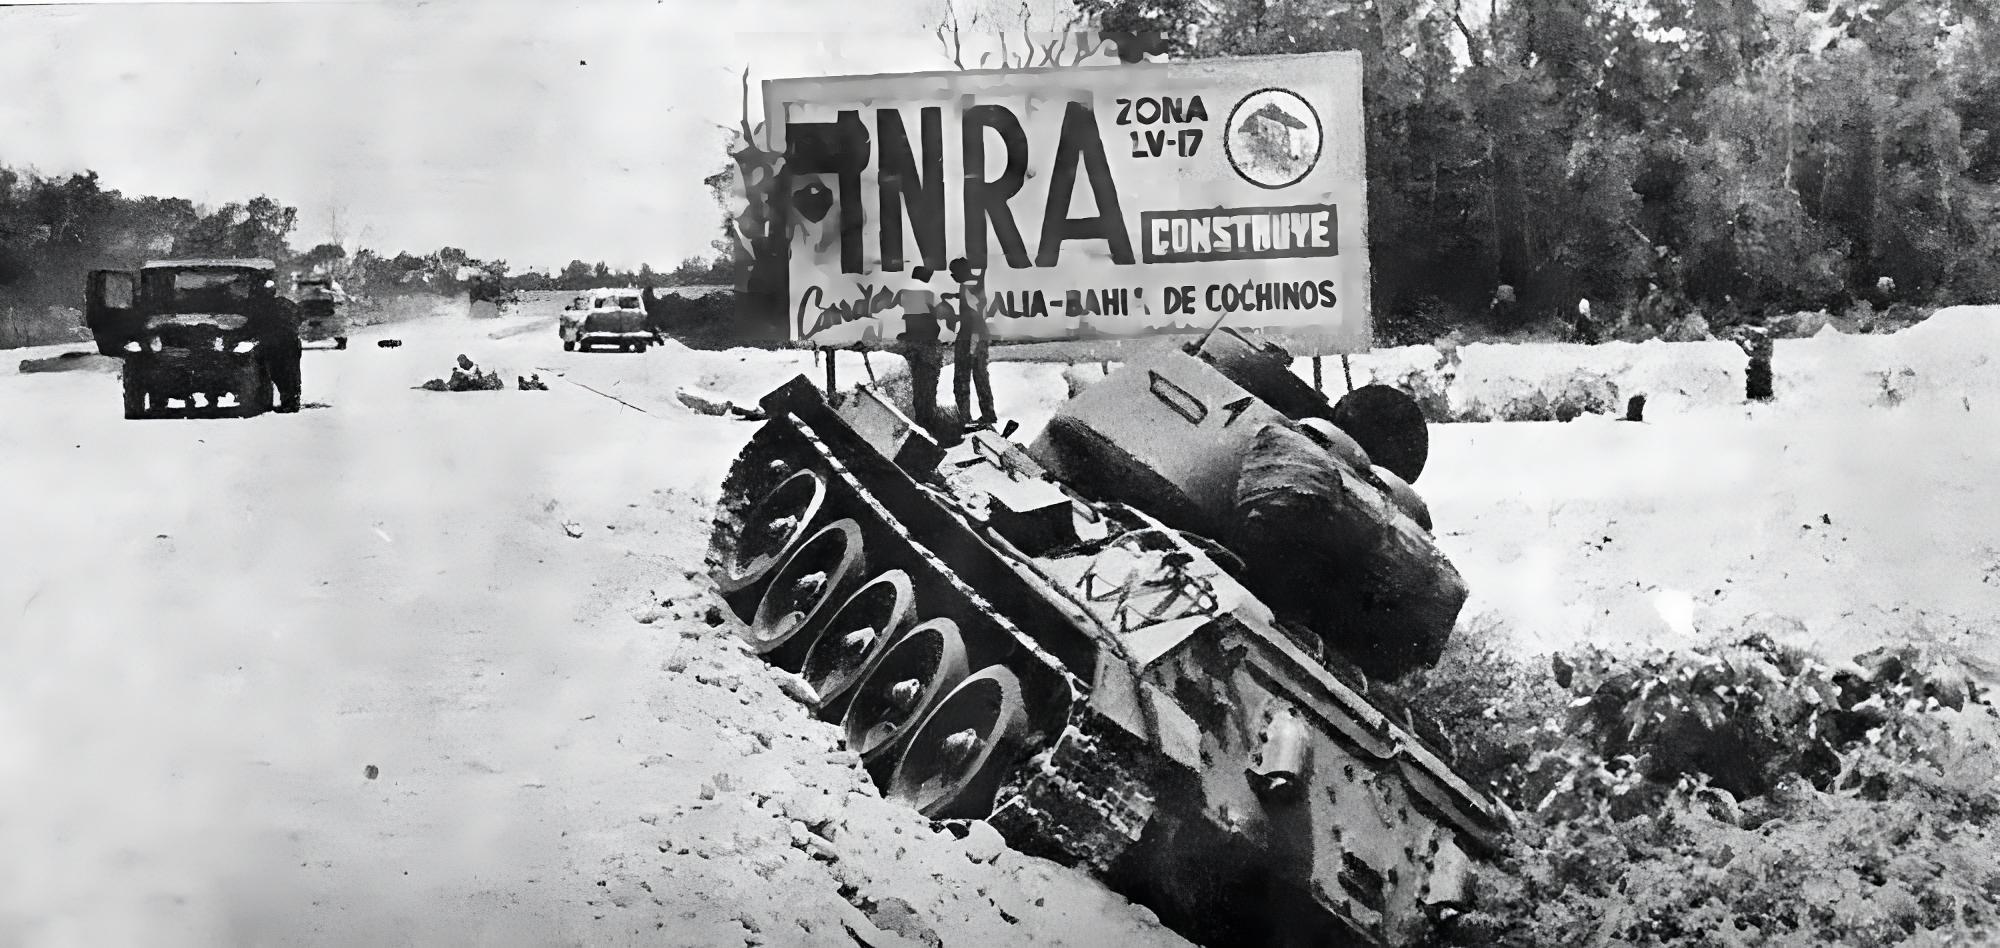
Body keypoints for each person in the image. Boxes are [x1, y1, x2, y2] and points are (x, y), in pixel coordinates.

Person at [894, 266, 946, 432]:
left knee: (918, 386)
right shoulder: (930, 292)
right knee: (929, 387)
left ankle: (921, 423)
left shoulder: (905, 292)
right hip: (928, 345)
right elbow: (941, 315)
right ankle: (928, 425)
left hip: (913, 343)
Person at [947, 257, 995, 430]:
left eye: (953, 273)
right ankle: (988, 415)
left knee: (962, 380)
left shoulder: (968, 286)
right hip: (976, 336)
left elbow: (975, 315)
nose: (952, 276)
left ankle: (965, 419)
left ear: (961, 272)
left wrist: (972, 345)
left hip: (971, 338)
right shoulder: (972, 283)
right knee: (980, 377)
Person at [254, 280, 304, 413]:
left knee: (279, 373)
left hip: (275, 346)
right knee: (290, 373)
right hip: (289, 343)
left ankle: (290, 402)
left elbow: (254, 327)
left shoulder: (260, 308)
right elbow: (300, 315)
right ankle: (292, 402)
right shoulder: (284, 303)